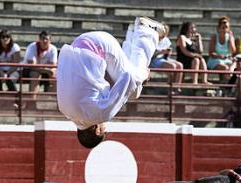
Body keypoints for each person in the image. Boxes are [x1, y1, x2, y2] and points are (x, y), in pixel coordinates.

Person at [57, 17, 165, 148]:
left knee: (135, 91)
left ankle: (147, 31)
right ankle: (132, 35)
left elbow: (129, 78)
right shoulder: (64, 110)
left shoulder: (99, 115)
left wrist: (143, 75)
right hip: (79, 42)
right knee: (123, 80)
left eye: (104, 129)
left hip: (99, 47)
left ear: (98, 130)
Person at [22, 31, 58, 103]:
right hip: (28, 70)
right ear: (39, 39)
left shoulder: (53, 48)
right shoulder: (32, 47)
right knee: (35, 74)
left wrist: (50, 71)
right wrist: (47, 69)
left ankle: (58, 105)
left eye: (46, 39)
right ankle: (32, 102)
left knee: (57, 76)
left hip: (45, 71)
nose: (44, 41)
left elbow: (52, 65)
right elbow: (32, 66)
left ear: (50, 40)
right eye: (42, 38)